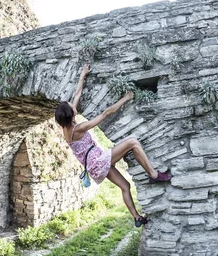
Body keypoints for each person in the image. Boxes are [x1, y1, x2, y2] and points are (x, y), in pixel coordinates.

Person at [55, 64, 171, 227]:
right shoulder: (78, 128)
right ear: (71, 115)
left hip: (93, 167)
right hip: (98, 161)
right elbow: (105, 114)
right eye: (70, 107)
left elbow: (76, 94)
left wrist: (83, 74)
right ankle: (153, 174)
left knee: (125, 186)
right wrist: (126, 98)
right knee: (133, 142)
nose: (72, 105)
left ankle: (137, 217)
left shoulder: (66, 128)